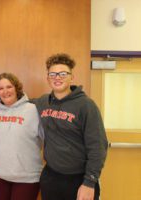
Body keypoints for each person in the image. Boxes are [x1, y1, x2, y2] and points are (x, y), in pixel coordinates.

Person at [31, 53, 108, 200]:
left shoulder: (86, 105)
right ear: (47, 78)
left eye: (63, 73)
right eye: (53, 74)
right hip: (51, 177)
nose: (57, 77)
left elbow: (98, 147)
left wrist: (89, 182)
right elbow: (22, 102)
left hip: (79, 179)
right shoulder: (42, 102)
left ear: (72, 77)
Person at [0, 73, 44, 200]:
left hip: (26, 177)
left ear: (17, 88)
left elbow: (47, 139)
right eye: (1, 88)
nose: (5, 91)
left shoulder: (33, 110)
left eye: (9, 87)